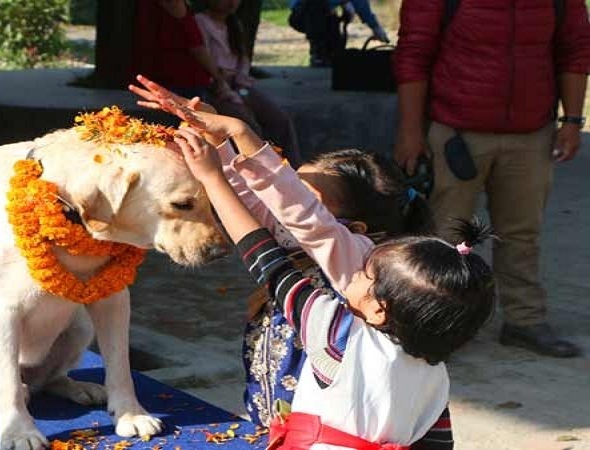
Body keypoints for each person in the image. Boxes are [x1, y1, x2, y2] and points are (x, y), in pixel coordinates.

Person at [129, 75, 491, 449]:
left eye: (305, 195)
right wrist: (221, 140)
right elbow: (261, 205)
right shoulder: (430, 364)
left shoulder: (339, 313)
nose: (284, 197)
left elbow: (277, 243)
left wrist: (232, 141)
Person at [393, 0, 590, 357]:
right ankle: (435, 326)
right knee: (444, 239)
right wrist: (410, 131)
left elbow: (575, 47)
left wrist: (572, 121)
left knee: (521, 232)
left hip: (532, 131)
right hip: (456, 131)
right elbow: (413, 51)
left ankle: (525, 321)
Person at [195, 0, 303, 168]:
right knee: (248, 125)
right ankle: (264, 171)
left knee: (280, 119)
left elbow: (242, 58)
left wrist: (240, 82)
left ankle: (294, 169)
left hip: (239, 84)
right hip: (215, 87)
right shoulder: (200, 22)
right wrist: (222, 83)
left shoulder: (234, 23)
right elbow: (204, 59)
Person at [130, 0, 218, 99]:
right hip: (179, 83)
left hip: (157, 80)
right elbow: (197, 48)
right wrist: (219, 79)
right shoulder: (173, 4)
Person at [289, 0, 389, 67]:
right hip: (304, 14)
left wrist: (375, 27)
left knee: (335, 53)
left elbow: (360, 4)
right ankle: (318, 51)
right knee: (317, 7)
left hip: (322, 14)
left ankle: (328, 53)